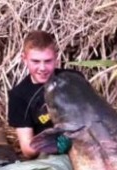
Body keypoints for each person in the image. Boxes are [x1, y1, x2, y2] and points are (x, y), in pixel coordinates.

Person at [8, 30, 83, 159]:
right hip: (53, 154)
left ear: (56, 60)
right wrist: (57, 144)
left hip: (85, 143)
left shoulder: (74, 80)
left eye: (48, 61)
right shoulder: (18, 95)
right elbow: (27, 149)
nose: (42, 68)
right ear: (24, 59)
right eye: (36, 61)